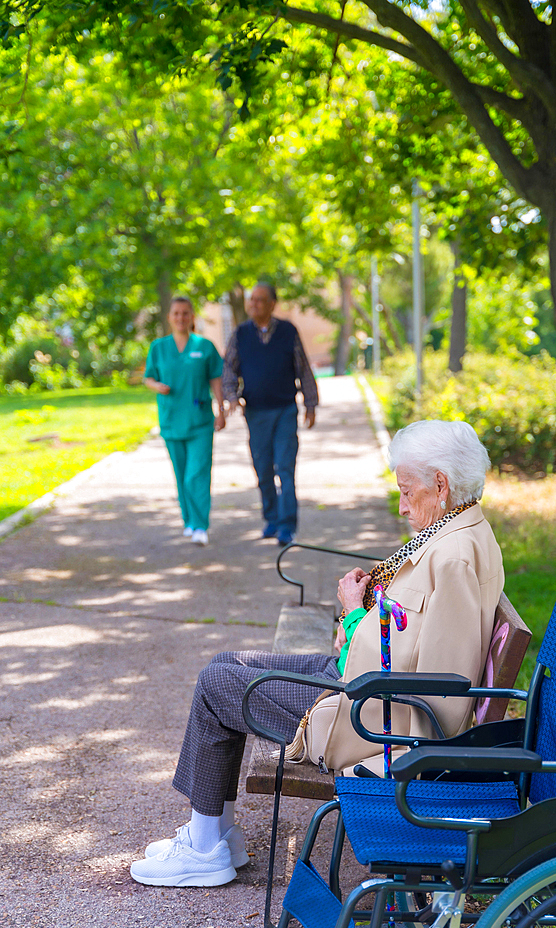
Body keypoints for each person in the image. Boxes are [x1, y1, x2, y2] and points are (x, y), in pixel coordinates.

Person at [130, 420, 504, 887]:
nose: (404, 507)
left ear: (442, 485)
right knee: (225, 663)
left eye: (408, 493)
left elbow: (438, 685)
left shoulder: (452, 556)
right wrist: (368, 609)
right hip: (367, 688)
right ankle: (218, 835)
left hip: (376, 720)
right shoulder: (458, 530)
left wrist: (353, 618)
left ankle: (205, 848)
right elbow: (416, 640)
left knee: (216, 686)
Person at [222, 283, 318, 547]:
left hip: (285, 410)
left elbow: (303, 367)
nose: (254, 304)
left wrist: (311, 403)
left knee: (285, 469)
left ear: (272, 304)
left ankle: (287, 525)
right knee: (263, 469)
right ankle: (272, 519)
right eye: (251, 300)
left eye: (260, 300)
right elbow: (229, 368)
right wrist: (231, 397)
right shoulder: (240, 334)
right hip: (255, 413)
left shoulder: (288, 331)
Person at [144, 297, 225, 547]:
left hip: (200, 420)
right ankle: (189, 520)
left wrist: (221, 408)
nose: (181, 318)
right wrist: (157, 386)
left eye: (185, 313)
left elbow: (216, 379)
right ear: (169, 317)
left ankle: (201, 525)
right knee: (180, 475)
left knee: (196, 474)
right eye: (176, 313)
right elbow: (148, 378)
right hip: (171, 421)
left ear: (192, 317)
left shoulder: (205, 346)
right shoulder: (158, 347)